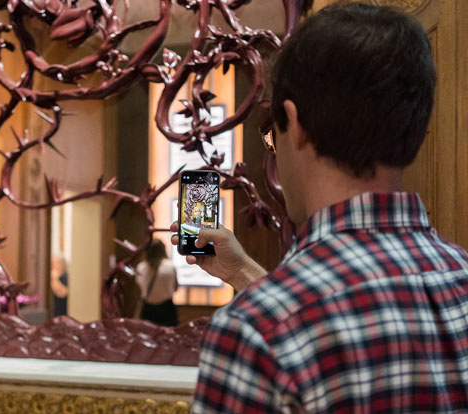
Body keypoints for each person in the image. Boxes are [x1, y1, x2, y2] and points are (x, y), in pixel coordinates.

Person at [172, 3, 468, 412]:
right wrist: (241, 272)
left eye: (272, 137)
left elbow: (306, 314)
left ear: (296, 126)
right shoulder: (459, 278)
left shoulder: (253, 333)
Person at [135, 239, 179, 326]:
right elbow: (176, 288)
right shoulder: (170, 266)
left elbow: (138, 290)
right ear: (163, 250)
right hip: (167, 309)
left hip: (147, 309)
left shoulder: (140, 267)